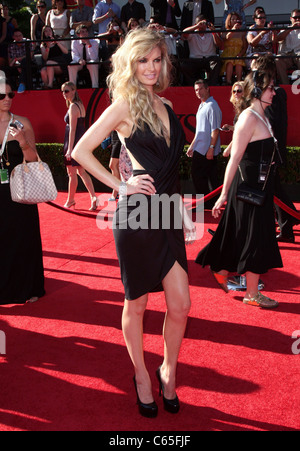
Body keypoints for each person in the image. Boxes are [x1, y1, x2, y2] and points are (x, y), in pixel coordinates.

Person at [72, 28, 192, 417]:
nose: (152, 68)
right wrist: (120, 185)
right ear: (130, 63)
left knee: (181, 304)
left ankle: (168, 369)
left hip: (168, 211)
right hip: (137, 214)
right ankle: (142, 374)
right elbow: (80, 150)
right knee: (136, 302)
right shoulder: (123, 105)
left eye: (157, 60)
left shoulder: (168, 107)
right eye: (143, 60)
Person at [195, 67, 283, 309]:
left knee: (244, 235)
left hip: (261, 190)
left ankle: (222, 269)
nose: (274, 93)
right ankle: (252, 294)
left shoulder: (262, 116)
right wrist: (223, 194)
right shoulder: (248, 118)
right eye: (269, 88)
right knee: (254, 239)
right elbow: (233, 158)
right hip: (248, 190)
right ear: (256, 91)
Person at [0, 78, 45, 305]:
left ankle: (28, 287)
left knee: (22, 238)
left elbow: (33, 159)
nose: (7, 99)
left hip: (19, 190)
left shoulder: (22, 122)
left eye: (10, 95)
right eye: (2, 96)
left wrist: (22, 142)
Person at [61, 81, 97, 210]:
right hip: (79, 141)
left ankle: (70, 200)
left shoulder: (73, 107)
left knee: (72, 173)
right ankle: (93, 197)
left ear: (73, 90)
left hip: (73, 141)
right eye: (63, 91)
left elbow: (73, 130)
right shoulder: (79, 105)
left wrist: (70, 149)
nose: (64, 94)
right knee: (81, 171)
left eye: (67, 91)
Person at [187, 79, 222, 208]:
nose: (198, 92)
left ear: (207, 89)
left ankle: (206, 203)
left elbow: (215, 130)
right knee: (211, 177)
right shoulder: (202, 105)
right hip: (201, 148)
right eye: (196, 90)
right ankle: (213, 202)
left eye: (201, 89)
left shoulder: (212, 106)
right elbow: (199, 130)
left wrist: (211, 148)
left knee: (197, 176)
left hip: (206, 149)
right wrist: (192, 145)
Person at [181, 14, 222, 86]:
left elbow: (219, 44)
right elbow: (184, 33)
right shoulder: (192, 33)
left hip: (209, 58)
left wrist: (214, 32)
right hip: (195, 59)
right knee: (185, 65)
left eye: (204, 24)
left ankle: (211, 85)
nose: (203, 25)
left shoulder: (211, 32)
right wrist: (197, 27)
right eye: (200, 23)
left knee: (217, 61)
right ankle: (193, 85)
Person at [68, 24, 99, 89]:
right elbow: (74, 55)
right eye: (82, 32)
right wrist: (79, 60)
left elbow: (94, 57)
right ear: (78, 34)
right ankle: (72, 88)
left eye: (86, 31)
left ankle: (95, 87)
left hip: (90, 61)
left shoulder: (95, 42)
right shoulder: (74, 42)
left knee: (93, 63)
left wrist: (89, 45)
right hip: (80, 62)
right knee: (71, 65)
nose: (85, 34)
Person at [220, 12, 247, 85]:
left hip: (239, 53)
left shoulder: (242, 33)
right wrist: (234, 29)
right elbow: (227, 38)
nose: (235, 21)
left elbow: (245, 46)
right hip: (228, 53)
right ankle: (228, 81)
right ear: (229, 21)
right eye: (233, 19)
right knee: (230, 61)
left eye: (236, 19)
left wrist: (241, 54)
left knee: (239, 62)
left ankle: (239, 82)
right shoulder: (224, 31)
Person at [275, 9, 300, 85]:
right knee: (277, 59)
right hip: (287, 55)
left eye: (299, 17)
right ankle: (285, 85)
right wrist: (290, 29)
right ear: (291, 19)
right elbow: (278, 38)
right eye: (295, 17)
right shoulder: (286, 29)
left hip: (298, 54)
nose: (298, 19)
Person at [8, 29, 35, 94]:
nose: (18, 37)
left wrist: (17, 59)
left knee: (25, 61)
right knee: (7, 70)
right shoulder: (11, 45)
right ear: (13, 37)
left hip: (30, 65)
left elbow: (30, 56)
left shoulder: (28, 42)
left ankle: (22, 83)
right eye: (16, 36)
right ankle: (13, 88)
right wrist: (17, 65)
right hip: (17, 66)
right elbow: (10, 62)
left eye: (20, 35)